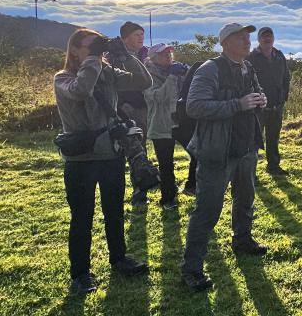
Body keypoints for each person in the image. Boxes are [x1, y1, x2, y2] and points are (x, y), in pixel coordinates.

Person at [53, 28, 153, 295]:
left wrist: (126, 55)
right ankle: (80, 274)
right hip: (82, 158)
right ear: (74, 50)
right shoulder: (63, 78)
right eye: (89, 46)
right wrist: (95, 59)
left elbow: (144, 81)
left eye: (97, 46)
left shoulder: (107, 72)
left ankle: (119, 258)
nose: (95, 50)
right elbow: (81, 90)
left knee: (114, 211)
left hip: (111, 153)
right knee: (82, 217)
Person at [181, 22, 269, 292]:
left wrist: (260, 98)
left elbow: (254, 93)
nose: (247, 41)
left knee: (245, 199)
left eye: (247, 37)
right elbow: (193, 106)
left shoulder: (247, 67)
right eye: (240, 38)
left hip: (245, 147)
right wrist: (237, 105)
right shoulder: (211, 69)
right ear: (225, 43)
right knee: (208, 209)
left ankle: (242, 240)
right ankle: (191, 269)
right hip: (217, 151)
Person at [143, 43, 192, 209]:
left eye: (169, 53)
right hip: (161, 125)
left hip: (179, 122)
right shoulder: (147, 76)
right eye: (163, 54)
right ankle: (168, 199)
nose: (168, 57)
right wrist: (172, 77)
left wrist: (188, 73)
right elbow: (159, 97)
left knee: (197, 151)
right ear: (154, 58)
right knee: (166, 165)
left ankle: (191, 186)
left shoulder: (175, 70)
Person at [112, 21, 152, 207]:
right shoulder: (113, 57)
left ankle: (140, 190)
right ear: (123, 38)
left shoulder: (141, 55)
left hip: (141, 109)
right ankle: (129, 192)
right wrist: (121, 105)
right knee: (122, 151)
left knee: (140, 149)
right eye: (137, 35)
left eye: (142, 34)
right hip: (123, 110)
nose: (141, 38)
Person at [247, 27, 291, 176]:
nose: (267, 39)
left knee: (273, 138)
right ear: (259, 39)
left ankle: (273, 166)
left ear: (273, 38)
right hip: (257, 107)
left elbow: (286, 77)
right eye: (264, 36)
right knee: (253, 140)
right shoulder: (251, 58)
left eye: (270, 36)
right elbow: (246, 81)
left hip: (276, 105)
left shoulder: (279, 56)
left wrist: (283, 98)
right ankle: (250, 171)